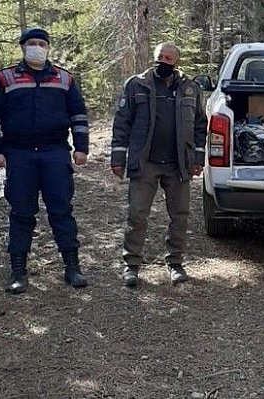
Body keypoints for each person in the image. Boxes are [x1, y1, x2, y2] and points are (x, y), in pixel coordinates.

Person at [0, 27, 90, 294]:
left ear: (48, 48)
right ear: (22, 47)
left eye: (42, 43)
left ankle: (72, 268)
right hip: (19, 155)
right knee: (21, 213)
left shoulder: (64, 78)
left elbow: (79, 115)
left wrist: (81, 147)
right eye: (32, 43)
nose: (37, 47)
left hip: (55, 153)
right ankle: (18, 271)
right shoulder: (5, 78)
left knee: (61, 211)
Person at [111, 42, 208, 287]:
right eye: (159, 57)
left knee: (180, 216)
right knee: (137, 215)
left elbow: (199, 125)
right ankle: (131, 266)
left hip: (178, 164)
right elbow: (122, 124)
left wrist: (198, 158)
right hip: (146, 163)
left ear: (177, 61)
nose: (163, 61)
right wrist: (118, 159)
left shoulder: (190, 88)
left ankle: (175, 263)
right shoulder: (137, 85)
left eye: (168, 58)